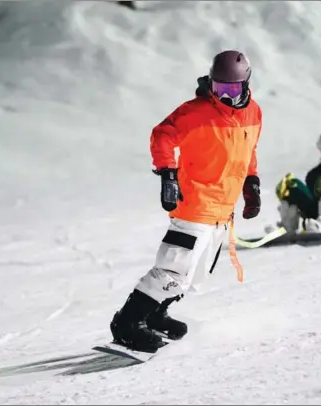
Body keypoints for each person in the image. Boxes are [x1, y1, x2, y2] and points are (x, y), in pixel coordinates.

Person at [110, 50, 263, 353]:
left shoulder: (254, 112)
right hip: (195, 202)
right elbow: (162, 135)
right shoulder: (195, 112)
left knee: (195, 274)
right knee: (174, 267)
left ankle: (154, 315)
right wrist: (167, 172)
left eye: (232, 90)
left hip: (222, 209)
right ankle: (128, 323)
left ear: (246, 84)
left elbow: (248, 151)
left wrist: (251, 182)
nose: (226, 97)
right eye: (220, 89)